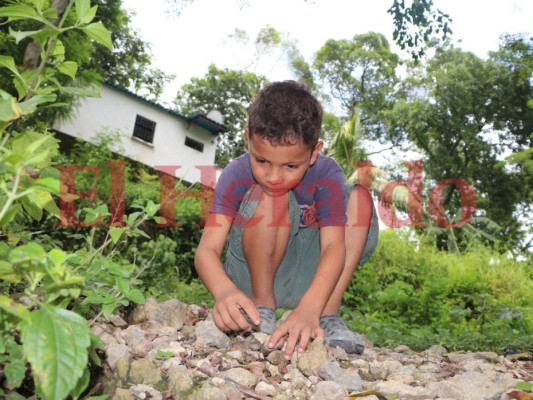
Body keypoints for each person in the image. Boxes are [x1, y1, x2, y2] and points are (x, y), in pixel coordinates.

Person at [194, 80, 378, 360]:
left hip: (313, 282)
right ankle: (262, 306)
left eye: (291, 165)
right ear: (248, 139)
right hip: (251, 273)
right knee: (272, 193)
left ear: (314, 152)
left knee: (360, 198)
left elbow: (333, 247)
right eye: (262, 161)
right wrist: (224, 292)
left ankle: (326, 312)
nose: (274, 175)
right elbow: (206, 250)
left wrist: (309, 308)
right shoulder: (235, 173)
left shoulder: (328, 174)